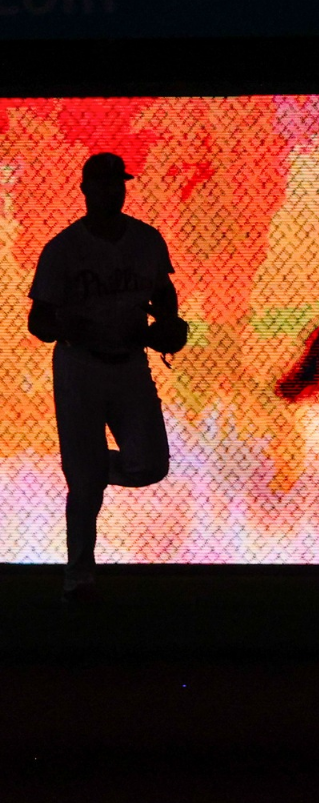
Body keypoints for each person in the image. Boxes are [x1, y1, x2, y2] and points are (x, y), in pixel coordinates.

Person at [26, 154, 189, 602]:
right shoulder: (62, 249)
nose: (112, 191)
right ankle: (79, 578)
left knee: (151, 465)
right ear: (85, 189)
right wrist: (64, 327)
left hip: (131, 362)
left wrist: (169, 326)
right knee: (84, 482)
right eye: (103, 184)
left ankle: (89, 470)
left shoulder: (146, 240)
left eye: (118, 183)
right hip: (79, 366)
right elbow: (38, 321)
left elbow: (163, 294)